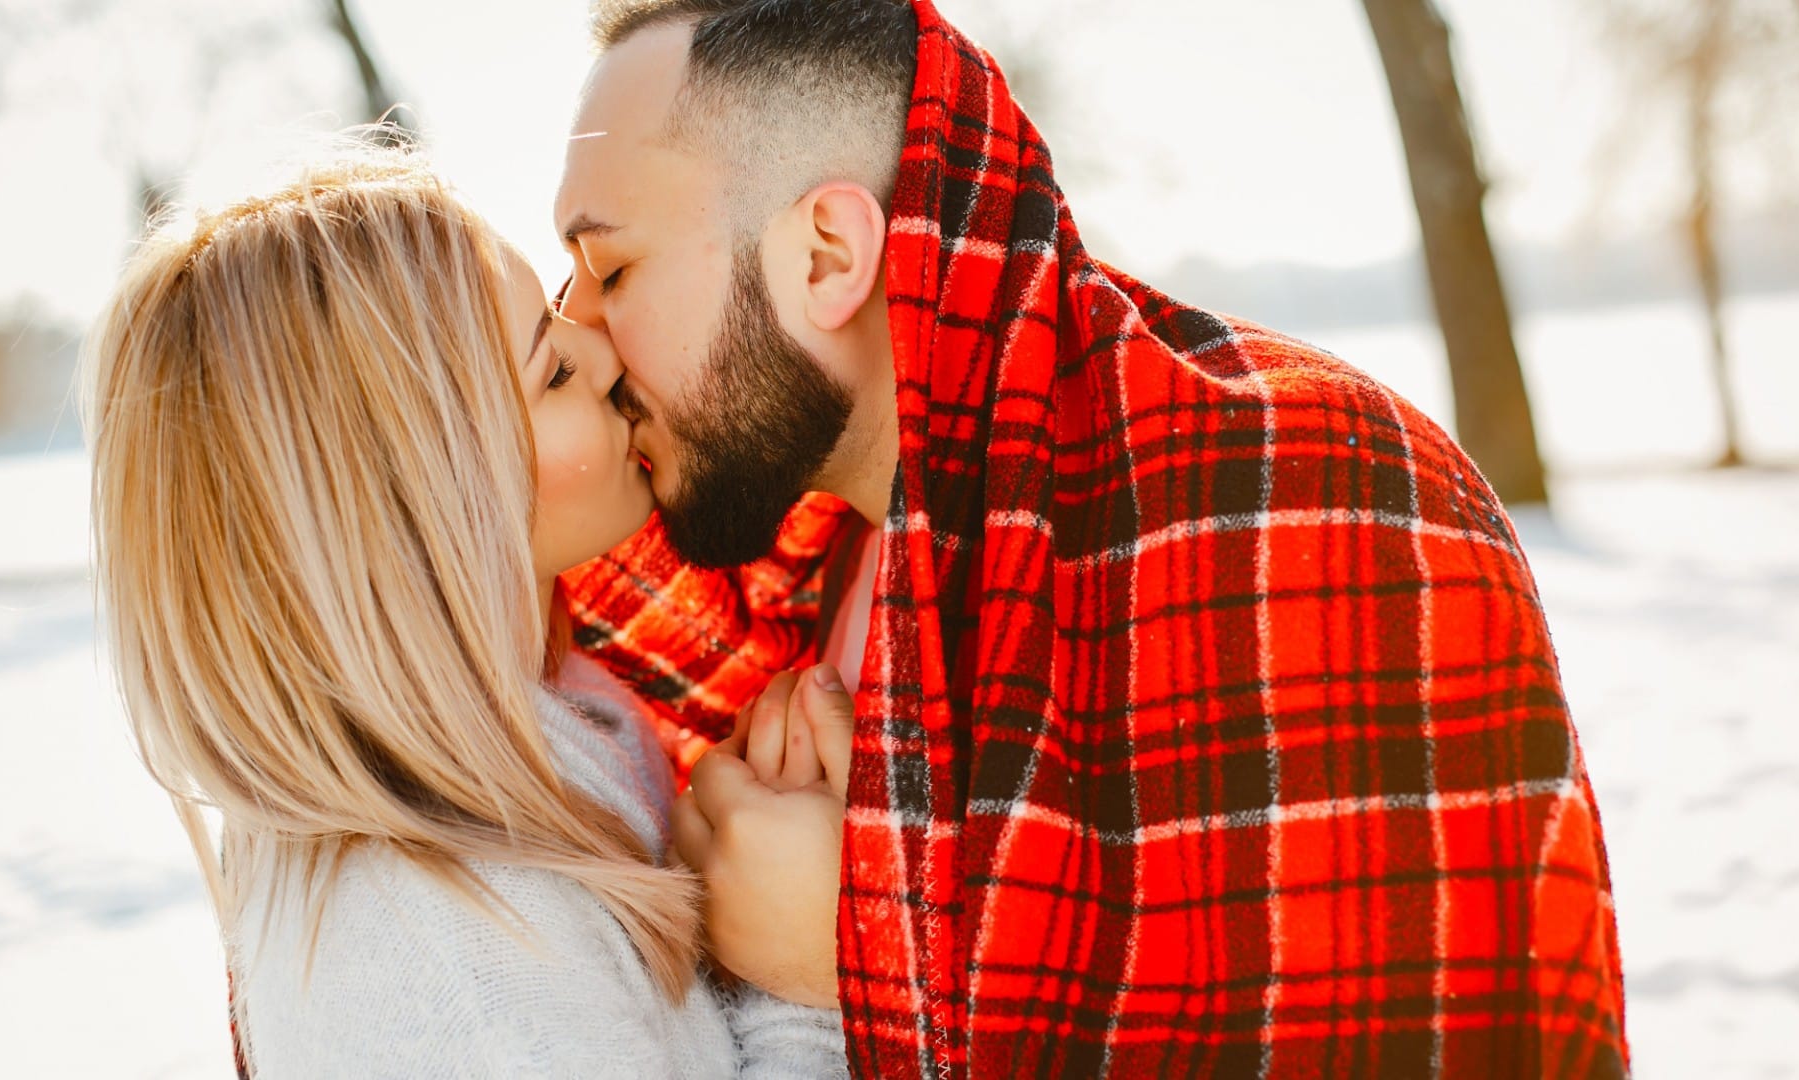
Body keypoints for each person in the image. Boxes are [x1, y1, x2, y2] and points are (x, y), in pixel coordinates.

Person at [554, 1, 1630, 1076]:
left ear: (827, 255)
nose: (580, 337)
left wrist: (844, 968)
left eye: (610, 272)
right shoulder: (792, 568)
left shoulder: (1299, 501)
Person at [83, 147, 850, 1078]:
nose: (603, 349)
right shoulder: (445, 963)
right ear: (422, 505)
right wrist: (803, 983)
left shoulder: (550, 714)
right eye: (552, 373)